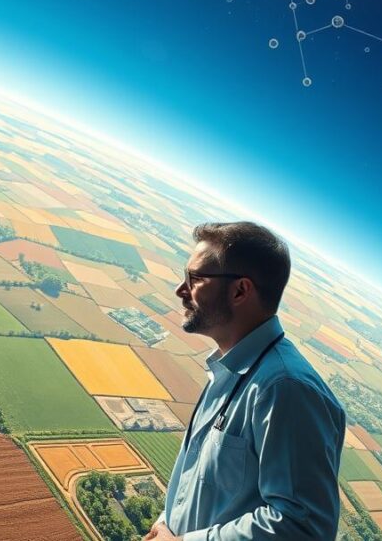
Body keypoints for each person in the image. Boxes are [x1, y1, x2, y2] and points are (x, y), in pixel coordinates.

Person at [145, 221, 346, 541]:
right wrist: (167, 522)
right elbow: (207, 484)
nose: (180, 290)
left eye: (194, 278)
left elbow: (303, 526)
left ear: (240, 290)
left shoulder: (286, 389)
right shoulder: (231, 370)